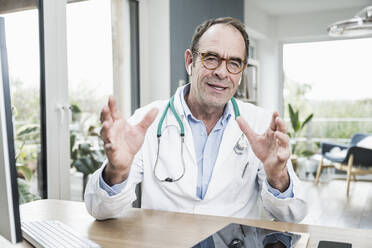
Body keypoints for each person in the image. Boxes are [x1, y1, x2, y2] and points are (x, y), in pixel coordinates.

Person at [85, 17, 307, 223]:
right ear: (190, 61)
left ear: (241, 72)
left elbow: (292, 215)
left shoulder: (260, 124)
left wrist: (277, 177)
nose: (222, 72)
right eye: (211, 58)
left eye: (234, 63)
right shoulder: (148, 120)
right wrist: (117, 171)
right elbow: (99, 209)